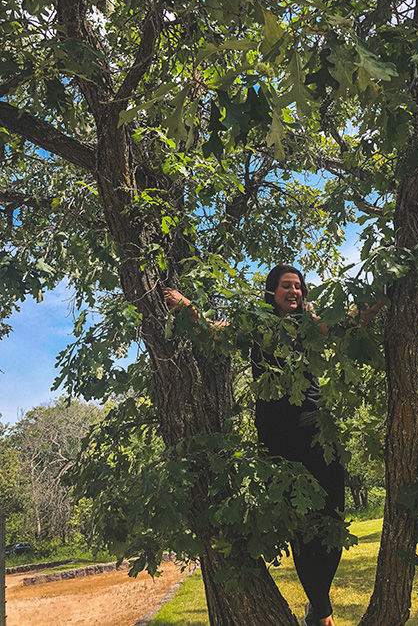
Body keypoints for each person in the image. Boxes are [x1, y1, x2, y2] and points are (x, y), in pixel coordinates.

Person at [163, 265, 385, 626]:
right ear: (272, 291)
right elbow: (215, 333)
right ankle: (321, 611)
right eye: (286, 286)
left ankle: (318, 605)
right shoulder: (256, 322)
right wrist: (186, 305)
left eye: (298, 286)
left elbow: (349, 322)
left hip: (317, 432)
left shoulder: (311, 323)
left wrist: (377, 296)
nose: (294, 291)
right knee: (299, 524)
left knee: (332, 520)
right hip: (277, 437)